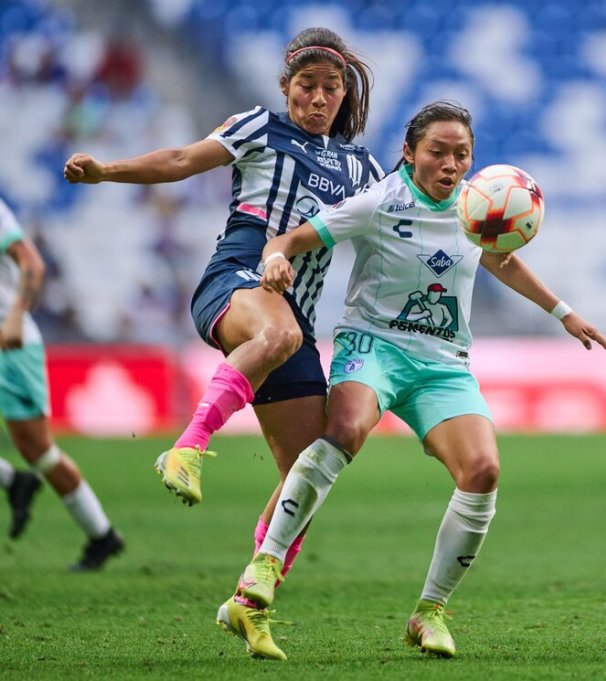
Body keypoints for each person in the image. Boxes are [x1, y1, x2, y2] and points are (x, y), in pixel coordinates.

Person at [217, 101, 606, 660]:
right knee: (345, 432)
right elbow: (289, 240)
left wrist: (563, 313)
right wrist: (274, 259)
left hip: (442, 362)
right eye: (438, 152)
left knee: (482, 471)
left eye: (462, 155)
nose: (450, 164)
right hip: (373, 347)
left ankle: (429, 612)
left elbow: (499, 258)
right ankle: (263, 570)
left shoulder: (475, 207)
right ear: (410, 152)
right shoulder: (378, 202)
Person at [63, 25, 380, 632]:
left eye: (330, 89)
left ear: (346, 93)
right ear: (285, 87)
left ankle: (248, 601)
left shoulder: (362, 168)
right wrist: (106, 171)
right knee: (280, 335)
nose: (317, 99)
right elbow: (182, 158)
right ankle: (187, 446)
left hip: (295, 318)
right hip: (234, 281)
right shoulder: (260, 127)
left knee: (307, 477)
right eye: (306, 87)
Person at [0, 197, 123, 569]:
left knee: (40, 452)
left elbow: (32, 263)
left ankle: (102, 537)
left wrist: (17, 316)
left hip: (10, 343)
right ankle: (11, 482)